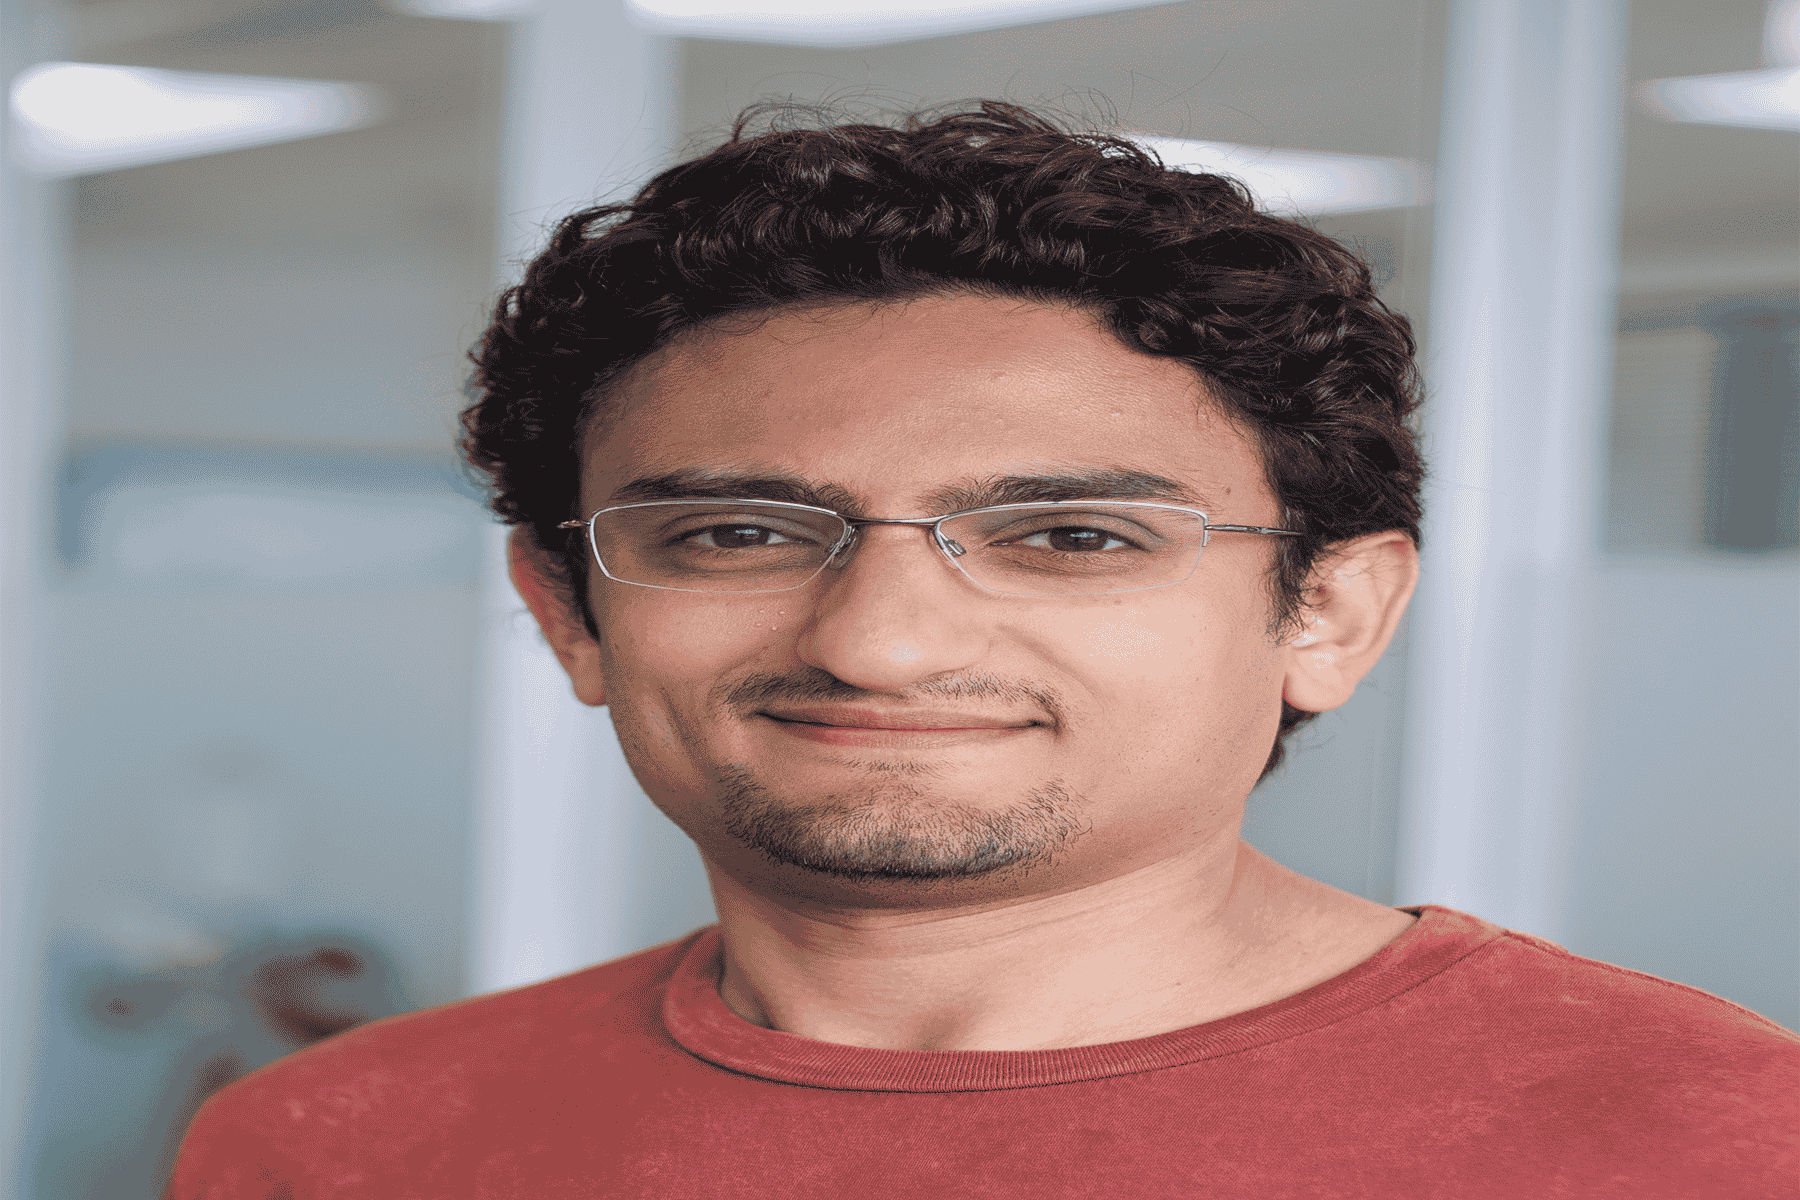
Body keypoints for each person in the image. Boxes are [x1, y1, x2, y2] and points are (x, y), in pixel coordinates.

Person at [170, 103, 1797, 1198]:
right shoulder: (335, 1147)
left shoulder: (1712, 1142)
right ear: (566, 609)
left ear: (1329, 615)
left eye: (1073, 537)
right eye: (736, 534)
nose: (878, 641)